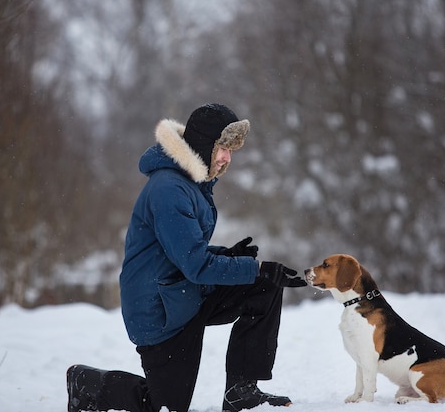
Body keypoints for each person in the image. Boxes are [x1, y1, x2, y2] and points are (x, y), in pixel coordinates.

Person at [66, 103, 307, 412]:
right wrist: (253, 267)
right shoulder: (169, 189)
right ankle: (85, 384)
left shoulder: (192, 183)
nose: (227, 158)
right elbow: (195, 264)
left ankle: (241, 390)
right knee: (162, 406)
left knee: (263, 286)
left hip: (182, 292)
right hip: (159, 312)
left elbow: (183, 254)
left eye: (231, 151)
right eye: (222, 148)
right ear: (204, 144)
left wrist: (232, 258)